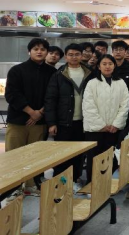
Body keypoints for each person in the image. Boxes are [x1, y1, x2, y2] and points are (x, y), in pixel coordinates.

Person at [5, 38, 57, 195]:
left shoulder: (52, 73)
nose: (39, 51)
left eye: (42, 49)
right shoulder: (17, 70)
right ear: (29, 51)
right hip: (18, 121)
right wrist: (30, 112)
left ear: (46, 52)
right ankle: (12, 188)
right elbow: (12, 94)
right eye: (35, 49)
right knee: (14, 154)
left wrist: (40, 112)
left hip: (39, 121)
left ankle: (30, 185)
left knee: (34, 156)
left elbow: (53, 95)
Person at [44, 43, 93, 190]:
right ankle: (60, 182)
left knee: (78, 154)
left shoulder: (90, 73)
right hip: (63, 122)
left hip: (83, 121)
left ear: (81, 56)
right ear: (66, 56)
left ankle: (75, 179)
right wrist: (51, 123)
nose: (74, 57)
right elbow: (50, 100)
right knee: (62, 155)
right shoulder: (58, 75)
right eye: (70, 54)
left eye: (77, 54)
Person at [83, 54, 129, 183]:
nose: (107, 66)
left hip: (113, 130)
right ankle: (92, 186)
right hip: (95, 130)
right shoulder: (92, 83)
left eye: (110, 64)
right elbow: (88, 106)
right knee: (94, 158)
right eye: (104, 64)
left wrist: (116, 124)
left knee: (110, 158)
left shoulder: (121, 83)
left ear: (114, 66)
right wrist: (101, 125)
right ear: (99, 66)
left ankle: (107, 185)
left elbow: (125, 105)